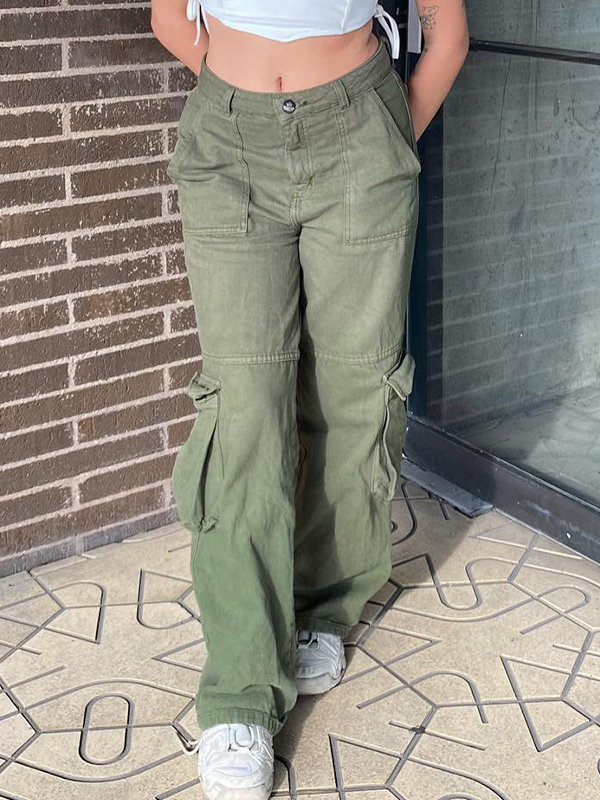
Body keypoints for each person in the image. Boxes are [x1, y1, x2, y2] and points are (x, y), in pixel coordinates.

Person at [150, 1, 469, 797]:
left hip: (360, 131)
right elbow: (169, 17)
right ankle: (239, 694)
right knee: (243, 412)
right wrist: (251, 112)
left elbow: (447, 33)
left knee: (354, 392)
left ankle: (325, 607)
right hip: (229, 144)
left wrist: (379, 134)